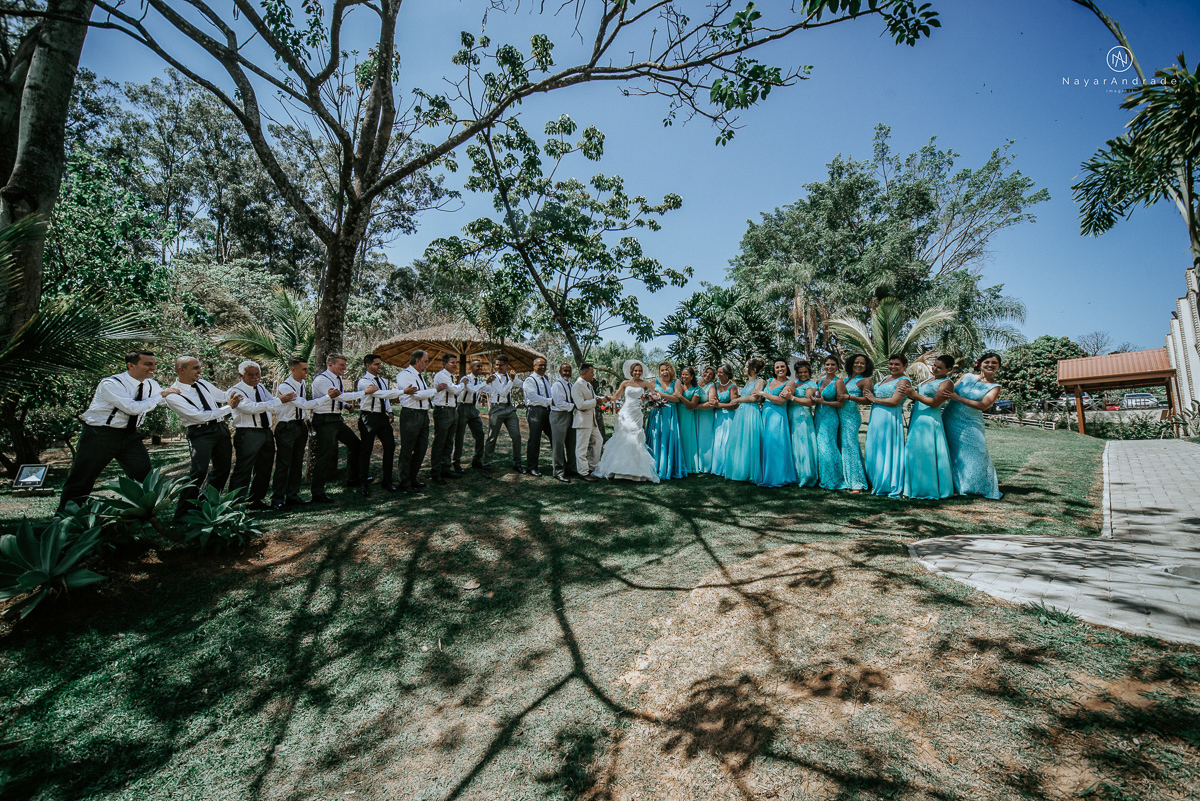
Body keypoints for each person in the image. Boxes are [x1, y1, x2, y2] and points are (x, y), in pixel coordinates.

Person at [58, 350, 180, 512]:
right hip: (99, 435)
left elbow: (164, 400)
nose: (153, 368)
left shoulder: (151, 384)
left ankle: (144, 517)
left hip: (129, 436)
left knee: (144, 477)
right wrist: (161, 395)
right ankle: (64, 518)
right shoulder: (111, 384)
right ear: (131, 365)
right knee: (82, 478)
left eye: (154, 364)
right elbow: (132, 408)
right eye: (148, 364)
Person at [162, 356, 240, 520]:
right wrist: (228, 408)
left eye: (199, 367)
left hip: (220, 429)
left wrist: (243, 388)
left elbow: (221, 395)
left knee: (223, 468)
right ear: (181, 370)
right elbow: (199, 417)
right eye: (195, 368)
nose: (200, 371)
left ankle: (207, 506)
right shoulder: (173, 395)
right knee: (198, 471)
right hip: (200, 432)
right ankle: (182, 513)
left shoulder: (202, 383)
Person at [310, 353, 375, 502]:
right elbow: (337, 396)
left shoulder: (338, 378)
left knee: (356, 445)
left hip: (336, 420)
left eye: (345, 365)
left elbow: (339, 398)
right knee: (325, 454)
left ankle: (353, 479)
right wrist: (364, 392)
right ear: (330, 365)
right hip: (324, 421)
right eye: (341, 365)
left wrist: (345, 405)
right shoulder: (321, 380)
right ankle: (317, 493)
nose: (344, 368)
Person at [271, 357, 334, 510]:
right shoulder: (286, 387)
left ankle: (292, 496)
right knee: (283, 463)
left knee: (297, 462)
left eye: (307, 368)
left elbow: (301, 408)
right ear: (293, 369)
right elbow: (304, 404)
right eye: (304, 369)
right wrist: (327, 398)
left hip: (300, 426)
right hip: (286, 427)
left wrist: (306, 420)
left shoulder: (302, 383)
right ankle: (277, 499)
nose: (308, 371)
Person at [228, 360, 290, 510]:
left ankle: (256, 499)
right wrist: (278, 401)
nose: (255, 377)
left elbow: (270, 401)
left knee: (264, 467)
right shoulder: (236, 391)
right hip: (248, 432)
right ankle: (236, 504)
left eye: (258, 374)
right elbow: (251, 408)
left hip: (265, 431)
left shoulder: (260, 387)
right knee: (244, 469)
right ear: (241, 375)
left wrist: (276, 401)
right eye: (251, 375)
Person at [943, 352, 1004, 500]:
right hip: (950, 417)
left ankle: (972, 486)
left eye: (994, 363)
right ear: (980, 363)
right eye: (987, 362)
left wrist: (959, 398)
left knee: (976, 452)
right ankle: (951, 485)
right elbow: (949, 390)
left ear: (998, 367)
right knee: (951, 452)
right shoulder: (967, 376)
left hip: (971, 423)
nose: (990, 365)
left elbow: (984, 405)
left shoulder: (995, 386)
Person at [594, 360, 660, 482]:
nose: (638, 373)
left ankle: (636, 471)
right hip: (626, 412)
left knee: (635, 436)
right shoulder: (625, 383)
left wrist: (653, 401)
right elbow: (616, 397)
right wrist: (605, 399)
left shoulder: (645, 383)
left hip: (637, 413)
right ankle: (618, 469)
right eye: (635, 370)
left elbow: (655, 395)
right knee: (623, 437)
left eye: (640, 371)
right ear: (631, 371)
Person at [903, 355, 956, 500]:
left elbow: (935, 403)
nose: (934, 369)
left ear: (948, 369)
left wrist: (913, 394)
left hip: (929, 419)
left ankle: (927, 487)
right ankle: (911, 486)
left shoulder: (947, 383)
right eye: (934, 365)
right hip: (917, 416)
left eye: (939, 367)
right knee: (913, 450)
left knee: (926, 451)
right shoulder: (929, 380)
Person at [863, 354, 911, 498]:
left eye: (897, 364)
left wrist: (874, 399)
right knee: (875, 447)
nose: (893, 367)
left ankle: (887, 482)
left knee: (886, 447)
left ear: (904, 366)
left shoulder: (904, 381)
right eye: (891, 364)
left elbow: (896, 401)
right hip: (876, 416)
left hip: (889, 417)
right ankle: (874, 479)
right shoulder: (886, 378)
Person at [357, 353, 404, 495]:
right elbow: (381, 395)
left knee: (390, 446)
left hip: (382, 418)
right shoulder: (363, 381)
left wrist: (390, 412)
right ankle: (363, 483)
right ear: (368, 365)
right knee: (366, 450)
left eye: (380, 364)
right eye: (376, 364)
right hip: (368, 417)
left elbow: (386, 399)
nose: (379, 366)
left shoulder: (382, 381)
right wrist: (403, 392)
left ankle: (387, 480)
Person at [396, 349, 436, 492]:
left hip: (423, 415)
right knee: (408, 449)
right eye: (425, 361)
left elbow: (421, 393)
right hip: (411, 414)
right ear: (417, 361)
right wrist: (435, 390)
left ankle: (413, 477)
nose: (427, 364)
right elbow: (417, 394)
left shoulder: (419, 376)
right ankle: (404, 482)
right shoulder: (404, 375)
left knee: (421, 448)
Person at [724, 358, 765, 484]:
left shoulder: (759, 381)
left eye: (747, 367)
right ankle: (740, 469)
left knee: (750, 439)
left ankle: (749, 471)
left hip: (751, 412)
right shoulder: (748, 382)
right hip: (742, 413)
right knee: (741, 439)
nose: (744, 369)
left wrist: (738, 400)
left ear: (753, 369)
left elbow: (754, 398)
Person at [757, 358, 797, 487]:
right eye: (777, 367)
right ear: (774, 369)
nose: (780, 369)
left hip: (778, 416)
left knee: (775, 444)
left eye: (782, 366)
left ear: (787, 368)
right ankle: (765, 473)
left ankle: (777, 476)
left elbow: (781, 400)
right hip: (766, 414)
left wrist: (763, 393)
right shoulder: (769, 380)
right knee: (766, 443)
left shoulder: (790, 383)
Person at [481, 354, 523, 477]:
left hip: (509, 409)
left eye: (500, 365)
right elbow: (503, 392)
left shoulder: (511, 377)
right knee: (492, 437)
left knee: (516, 436)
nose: (498, 367)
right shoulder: (493, 378)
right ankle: (486, 465)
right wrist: (511, 380)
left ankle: (517, 463)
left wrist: (535, 381)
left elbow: (523, 385)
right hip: (497, 408)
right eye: (496, 365)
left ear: (506, 366)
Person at [811, 354, 848, 490]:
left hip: (830, 417)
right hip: (819, 415)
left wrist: (824, 402)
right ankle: (823, 476)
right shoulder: (820, 381)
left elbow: (841, 403)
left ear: (837, 366)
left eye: (833, 364)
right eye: (827, 364)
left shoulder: (839, 382)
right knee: (820, 447)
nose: (830, 367)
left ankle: (834, 478)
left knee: (829, 446)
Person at [837, 354, 872, 493]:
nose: (858, 365)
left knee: (850, 446)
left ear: (866, 366)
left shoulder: (865, 381)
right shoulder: (844, 380)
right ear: (851, 364)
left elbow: (868, 400)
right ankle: (844, 478)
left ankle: (857, 482)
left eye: (862, 363)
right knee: (841, 445)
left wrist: (849, 397)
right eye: (856, 362)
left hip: (851, 416)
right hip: (838, 415)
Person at [430, 354, 463, 485]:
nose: (454, 365)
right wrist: (463, 384)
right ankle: (436, 472)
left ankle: (446, 468)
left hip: (452, 410)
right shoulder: (441, 375)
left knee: (449, 441)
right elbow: (455, 390)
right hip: (443, 410)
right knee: (440, 442)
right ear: (444, 363)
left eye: (456, 362)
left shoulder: (450, 377)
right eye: (452, 362)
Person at [648, 362, 685, 481]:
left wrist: (660, 394)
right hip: (656, 413)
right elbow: (649, 397)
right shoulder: (654, 382)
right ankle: (654, 467)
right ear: (659, 372)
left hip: (670, 414)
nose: (665, 372)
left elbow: (677, 399)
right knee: (656, 438)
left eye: (667, 369)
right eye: (662, 370)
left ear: (671, 371)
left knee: (668, 439)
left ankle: (667, 468)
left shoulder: (676, 382)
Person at [788, 359, 819, 487]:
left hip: (802, 415)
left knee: (802, 442)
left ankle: (805, 474)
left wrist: (792, 398)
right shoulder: (794, 383)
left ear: (809, 372)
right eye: (800, 372)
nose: (803, 374)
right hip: (791, 414)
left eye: (805, 372)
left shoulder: (811, 385)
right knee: (793, 442)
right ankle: (793, 472)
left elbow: (810, 402)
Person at [453, 359, 488, 474]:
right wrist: (485, 382)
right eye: (477, 366)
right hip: (462, 408)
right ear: (471, 368)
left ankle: (477, 460)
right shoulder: (466, 379)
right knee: (459, 436)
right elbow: (472, 390)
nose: (480, 368)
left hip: (473, 409)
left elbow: (489, 389)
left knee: (480, 434)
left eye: (481, 366)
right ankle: (456, 462)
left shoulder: (479, 381)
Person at [572, 362, 604, 482]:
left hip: (592, 420)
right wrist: (596, 402)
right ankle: (583, 472)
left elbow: (594, 398)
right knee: (582, 447)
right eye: (592, 372)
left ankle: (592, 467)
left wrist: (602, 399)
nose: (593, 375)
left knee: (599, 441)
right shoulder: (577, 386)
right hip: (582, 421)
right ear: (585, 372)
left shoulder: (588, 385)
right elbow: (580, 405)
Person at [522, 357, 554, 477]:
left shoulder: (545, 380)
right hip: (535, 411)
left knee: (554, 437)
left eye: (545, 365)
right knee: (534, 440)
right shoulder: (529, 380)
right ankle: (532, 467)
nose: (543, 367)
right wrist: (550, 401)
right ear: (534, 366)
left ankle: (559, 465)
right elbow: (533, 397)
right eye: (540, 365)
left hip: (547, 411)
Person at [549, 362, 578, 482]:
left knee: (571, 443)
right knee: (558, 444)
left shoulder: (571, 385)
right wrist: (574, 406)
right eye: (565, 370)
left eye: (569, 370)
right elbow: (559, 403)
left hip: (569, 415)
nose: (567, 373)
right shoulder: (557, 385)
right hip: (559, 415)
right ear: (560, 372)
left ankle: (571, 468)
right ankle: (558, 471)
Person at [710, 364, 738, 477]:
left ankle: (728, 467)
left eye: (720, 372)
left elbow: (735, 404)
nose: (718, 374)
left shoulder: (733, 386)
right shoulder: (715, 385)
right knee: (717, 441)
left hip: (729, 417)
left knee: (727, 441)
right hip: (718, 416)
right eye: (717, 372)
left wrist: (719, 404)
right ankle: (717, 467)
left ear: (727, 373)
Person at [677, 366, 702, 475]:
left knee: (686, 439)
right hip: (677, 414)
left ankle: (688, 465)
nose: (684, 376)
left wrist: (681, 397)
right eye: (682, 374)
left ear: (692, 376)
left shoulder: (697, 389)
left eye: (686, 374)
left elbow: (692, 405)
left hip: (687, 416)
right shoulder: (679, 386)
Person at [693, 366, 718, 474]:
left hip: (705, 415)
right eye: (706, 372)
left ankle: (705, 464)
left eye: (710, 374)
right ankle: (693, 463)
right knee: (694, 437)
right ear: (703, 372)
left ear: (713, 377)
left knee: (704, 439)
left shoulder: (711, 386)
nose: (707, 375)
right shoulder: (695, 380)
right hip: (693, 414)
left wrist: (696, 406)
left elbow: (712, 403)